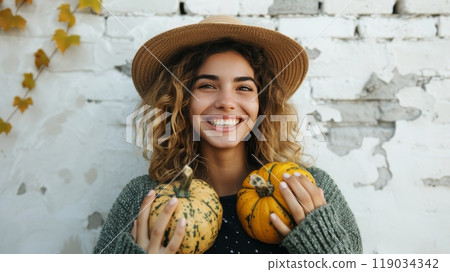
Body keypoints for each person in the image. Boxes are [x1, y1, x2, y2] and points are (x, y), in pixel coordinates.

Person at [93, 15, 362, 254]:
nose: (226, 102)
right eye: (207, 85)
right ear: (181, 101)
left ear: (262, 103)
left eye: (244, 88)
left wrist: (322, 243)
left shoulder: (310, 189)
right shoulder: (142, 197)